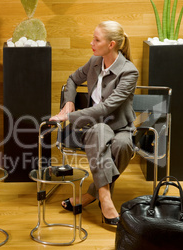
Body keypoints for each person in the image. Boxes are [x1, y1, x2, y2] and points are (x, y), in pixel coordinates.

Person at [49, 21, 138, 225]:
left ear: (111, 44)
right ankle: (105, 199)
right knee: (98, 131)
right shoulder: (94, 61)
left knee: (123, 145)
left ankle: (91, 195)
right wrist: (69, 102)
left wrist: (68, 117)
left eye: (96, 40)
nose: (92, 43)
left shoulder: (129, 72)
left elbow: (107, 108)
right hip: (94, 127)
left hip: (121, 127)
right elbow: (71, 80)